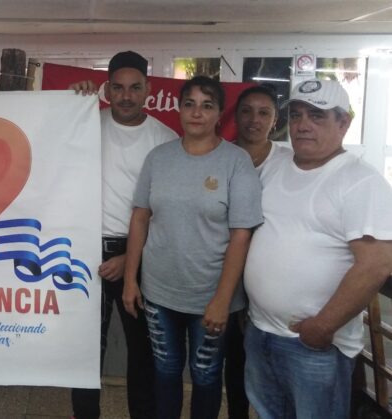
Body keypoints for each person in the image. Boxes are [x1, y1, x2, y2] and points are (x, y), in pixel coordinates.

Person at [243, 79, 392, 419]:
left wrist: (324, 326)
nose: (303, 124)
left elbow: (376, 265)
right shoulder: (276, 165)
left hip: (312, 343)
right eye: (296, 115)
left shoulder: (361, 181)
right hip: (260, 331)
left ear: (344, 123)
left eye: (317, 115)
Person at [123, 76, 263, 419]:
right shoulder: (158, 158)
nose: (197, 113)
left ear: (219, 114)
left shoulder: (236, 162)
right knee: (166, 371)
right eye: (189, 104)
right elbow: (140, 217)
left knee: (205, 375)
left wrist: (223, 300)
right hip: (159, 293)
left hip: (211, 296)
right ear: (179, 109)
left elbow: (241, 235)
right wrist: (130, 279)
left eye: (207, 105)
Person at [70, 51, 176, 419]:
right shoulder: (86, 123)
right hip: (85, 250)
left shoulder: (165, 139)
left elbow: (167, 212)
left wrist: (129, 257)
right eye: (118, 88)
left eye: (134, 88)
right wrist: (70, 100)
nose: (126, 96)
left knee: (142, 353)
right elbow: (47, 143)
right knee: (85, 352)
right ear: (106, 89)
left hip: (139, 254)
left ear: (149, 89)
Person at [225, 84, 291, 419]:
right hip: (226, 275)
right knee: (234, 359)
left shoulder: (289, 160)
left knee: (272, 368)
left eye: (264, 113)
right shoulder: (221, 156)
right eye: (247, 111)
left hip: (271, 280)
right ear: (235, 117)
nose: (255, 119)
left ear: (275, 120)